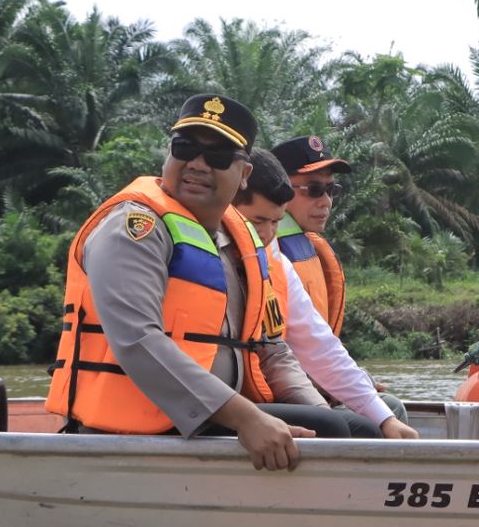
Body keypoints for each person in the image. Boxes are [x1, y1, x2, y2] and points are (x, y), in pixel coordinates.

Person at [45, 93, 357, 471]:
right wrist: (247, 419)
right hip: (135, 430)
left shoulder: (237, 239)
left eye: (218, 156)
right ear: (168, 154)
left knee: (346, 427)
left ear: (243, 175)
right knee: (329, 427)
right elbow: (136, 339)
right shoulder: (135, 228)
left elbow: (271, 346)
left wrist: (320, 413)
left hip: (208, 419)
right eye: (185, 147)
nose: (197, 163)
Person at [233, 149, 420, 439]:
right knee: (338, 426)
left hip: (268, 389)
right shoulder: (214, 256)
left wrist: (379, 415)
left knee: (381, 416)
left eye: (275, 223)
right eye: (314, 189)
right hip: (216, 401)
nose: (268, 235)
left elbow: (313, 345)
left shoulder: (272, 260)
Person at [270, 134, 351, 334]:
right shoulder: (264, 246)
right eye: (314, 189)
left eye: (331, 189)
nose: (326, 201)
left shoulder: (305, 243)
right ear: (279, 189)